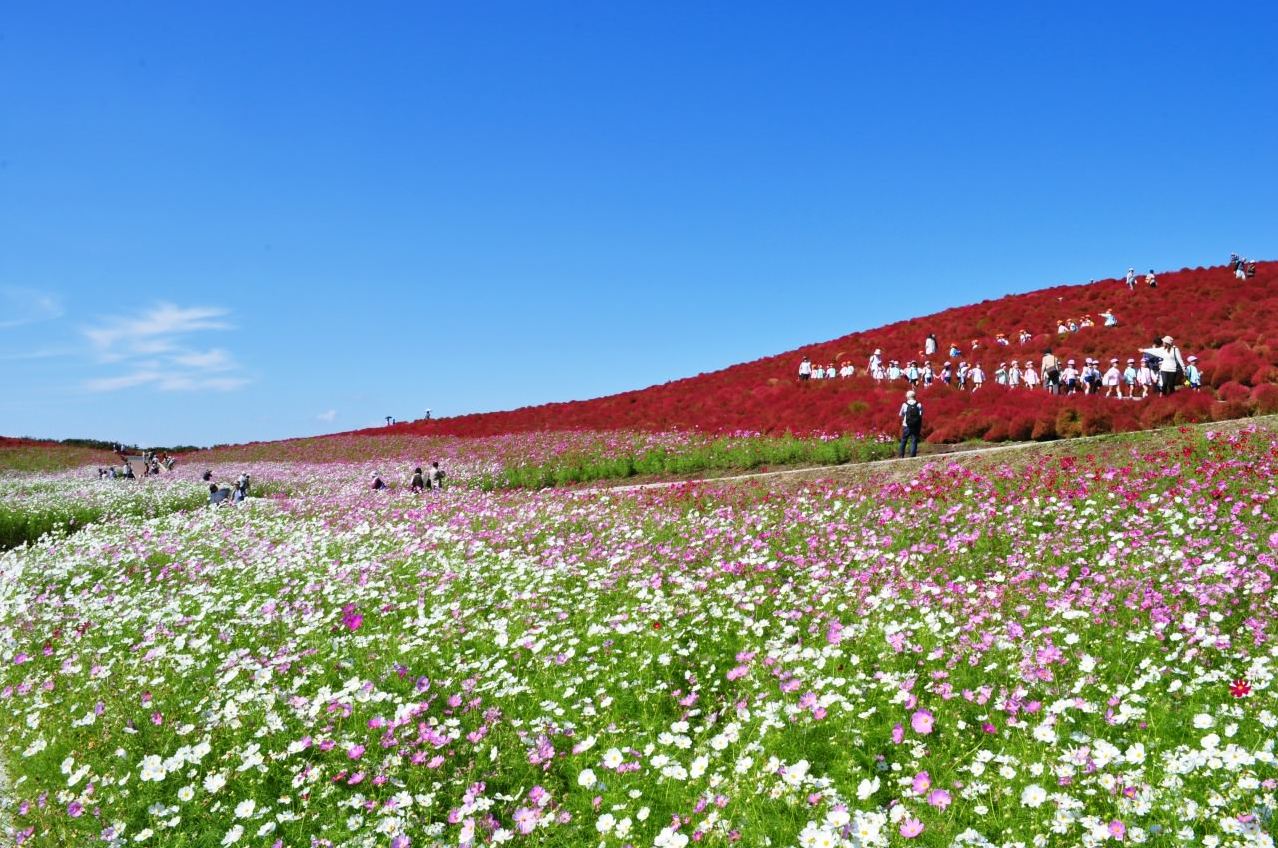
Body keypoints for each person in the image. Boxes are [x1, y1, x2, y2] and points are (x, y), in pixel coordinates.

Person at [898, 390, 923, 459]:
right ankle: (912, 456)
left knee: (904, 440)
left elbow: (900, 414)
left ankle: (901, 455)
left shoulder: (904, 404)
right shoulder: (919, 404)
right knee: (914, 440)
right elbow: (921, 414)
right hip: (915, 425)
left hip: (906, 425)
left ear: (908, 397)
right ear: (914, 396)